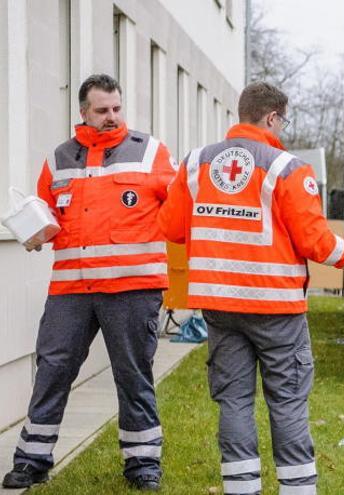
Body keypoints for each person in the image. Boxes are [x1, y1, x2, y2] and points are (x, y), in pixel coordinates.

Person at [157, 81, 344, 495]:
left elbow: (171, 229)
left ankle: (241, 489)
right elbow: (317, 243)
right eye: (282, 121)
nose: (283, 129)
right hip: (275, 308)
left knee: (234, 401)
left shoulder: (195, 164)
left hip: (218, 305)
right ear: (271, 116)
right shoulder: (286, 168)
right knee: (287, 401)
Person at [2, 74, 177, 491]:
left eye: (117, 108)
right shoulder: (58, 159)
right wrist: (36, 234)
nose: (111, 117)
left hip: (133, 290)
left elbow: (178, 213)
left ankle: (142, 464)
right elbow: (48, 220)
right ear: (83, 112)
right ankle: (33, 459)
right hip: (71, 291)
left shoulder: (151, 152)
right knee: (53, 369)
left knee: (132, 375)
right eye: (102, 110)